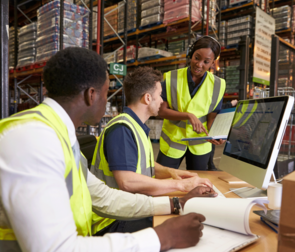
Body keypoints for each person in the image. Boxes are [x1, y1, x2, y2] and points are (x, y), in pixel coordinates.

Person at [0, 47, 218, 252]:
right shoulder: (30, 139)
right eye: (106, 93)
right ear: (91, 95)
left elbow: (102, 197)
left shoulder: (60, 134)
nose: (108, 100)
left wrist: (174, 203)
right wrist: (160, 238)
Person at [91, 66, 213, 236]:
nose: (162, 101)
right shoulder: (122, 129)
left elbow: (144, 163)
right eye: (159, 95)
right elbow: (127, 182)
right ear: (148, 98)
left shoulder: (136, 126)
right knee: (189, 225)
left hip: (130, 210)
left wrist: (172, 172)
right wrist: (181, 185)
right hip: (113, 220)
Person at [157, 36, 226, 170]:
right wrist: (188, 115)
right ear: (191, 55)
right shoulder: (170, 77)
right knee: (162, 179)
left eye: (206, 61)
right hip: (173, 141)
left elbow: (212, 116)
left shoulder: (218, 85)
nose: (199, 64)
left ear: (212, 63)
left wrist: (215, 134)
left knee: (198, 183)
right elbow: (161, 111)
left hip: (200, 143)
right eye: (197, 58)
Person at [207, 99, 238, 171]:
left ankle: (210, 165)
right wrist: (230, 104)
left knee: (211, 146)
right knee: (211, 145)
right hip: (207, 127)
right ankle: (210, 166)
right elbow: (216, 107)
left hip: (209, 127)